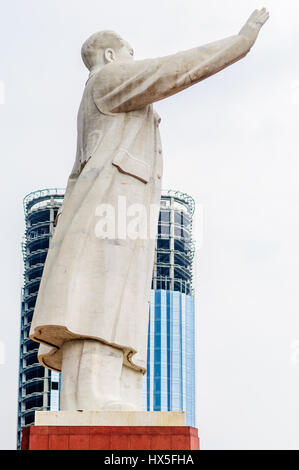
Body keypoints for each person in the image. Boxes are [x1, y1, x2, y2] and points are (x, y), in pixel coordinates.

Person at [30, 8, 269, 411]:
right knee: (101, 292)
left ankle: (105, 389)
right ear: (110, 56)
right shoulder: (108, 79)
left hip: (118, 203)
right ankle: (91, 392)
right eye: (129, 53)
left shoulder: (102, 94)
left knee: (114, 293)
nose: (134, 61)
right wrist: (239, 42)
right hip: (111, 203)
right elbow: (172, 70)